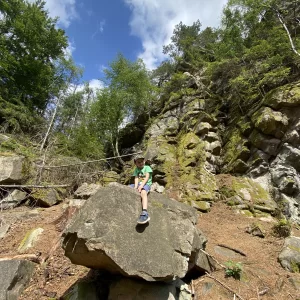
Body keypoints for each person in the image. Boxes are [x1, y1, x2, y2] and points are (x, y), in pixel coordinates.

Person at [129, 154, 153, 224]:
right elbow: (136, 178)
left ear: (144, 161)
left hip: (146, 184)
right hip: (139, 184)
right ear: (135, 163)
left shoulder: (147, 167)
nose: (140, 163)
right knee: (128, 187)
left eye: (141, 161)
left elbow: (147, 177)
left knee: (143, 192)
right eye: (138, 162)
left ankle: (145, 212)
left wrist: (141, 186)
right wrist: (135, 187)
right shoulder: (136, 169)